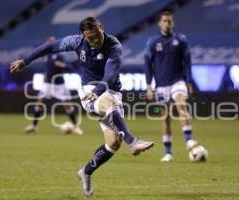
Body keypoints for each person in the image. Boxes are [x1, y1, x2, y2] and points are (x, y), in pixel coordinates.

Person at [10, 17, 154, 197]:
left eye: (97, 35)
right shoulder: (77, 42)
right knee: (108, 104)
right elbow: (49, 47)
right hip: (88, 91)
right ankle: (133, 142)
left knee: (113, 144)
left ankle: (85, 172)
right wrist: (25, 61)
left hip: (109, 91)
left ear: (102, 28)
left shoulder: (113, 45)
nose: (95, 41)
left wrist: (99, 89)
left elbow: (110, 75)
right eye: (90, 38)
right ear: (83, 36)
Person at [144, 11, 201, 162]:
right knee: (166, 117)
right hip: (161, 85)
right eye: (164, 21)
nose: (167, 23)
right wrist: (149, 85)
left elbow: (187, 62)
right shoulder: (152, 42)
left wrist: (189, 82)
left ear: (173, 23)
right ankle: (168, 152)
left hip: (178, 80)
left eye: (169, 21)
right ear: (159, 23)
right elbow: (147, 64)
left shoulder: (181, 40)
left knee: (181, 104)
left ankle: (188, 139)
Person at [24, 36, 83, 135]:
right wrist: (45, 75)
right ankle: (33, 126)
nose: (50, 43)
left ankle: (76, 126)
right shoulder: (47, 55)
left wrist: (62, 65)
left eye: (52, 42)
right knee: (39, 102)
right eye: (49, 42)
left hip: (59, 84)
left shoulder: (60, 54)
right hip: (48, 84)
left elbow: (67, 65)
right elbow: (49, 67)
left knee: (67, 105)